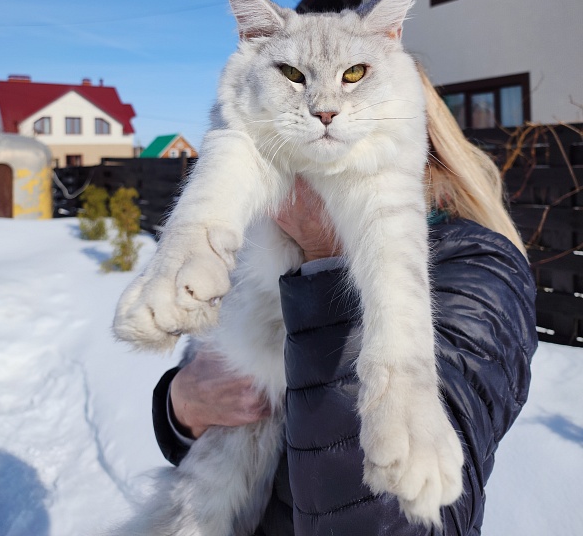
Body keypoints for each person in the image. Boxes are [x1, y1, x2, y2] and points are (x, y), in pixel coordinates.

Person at [151, 70, 538, 535]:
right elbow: (206, 400)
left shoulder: (478, 267)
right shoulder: (266, 245)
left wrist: (326, 254)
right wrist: (180, 407)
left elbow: (401, 522)